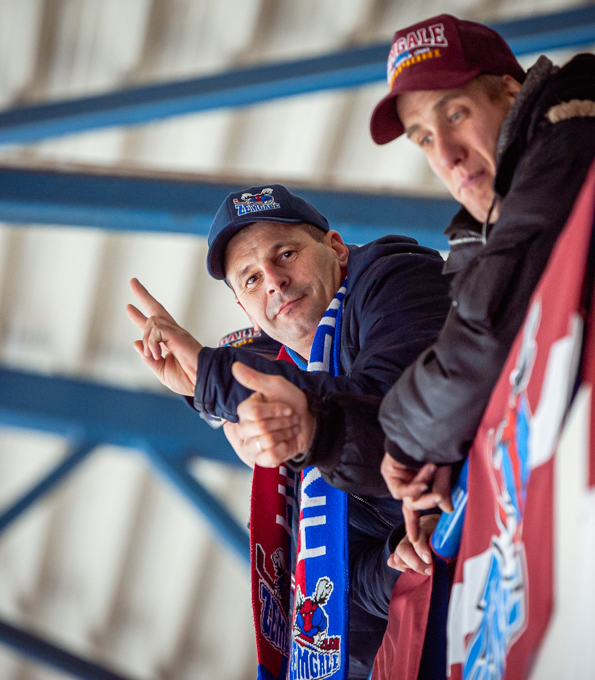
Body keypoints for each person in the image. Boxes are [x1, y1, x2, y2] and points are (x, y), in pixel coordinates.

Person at [238, 14, 595, 572]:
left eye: (456, 115)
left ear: (510, 92)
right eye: (423, 138)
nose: (445, 154)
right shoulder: (476, 238)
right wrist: (445, 458)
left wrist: (407, 439)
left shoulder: (573, 110)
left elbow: (482, 337)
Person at [125, 183, 451, 678]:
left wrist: (216, 381)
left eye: (286, 254)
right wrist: (395, 562)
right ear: (245, 309)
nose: (274, 282)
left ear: (336, 248)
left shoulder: (394, 278)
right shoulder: (296, 406)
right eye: (251, 278)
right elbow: (342, 584)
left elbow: (398, 425)